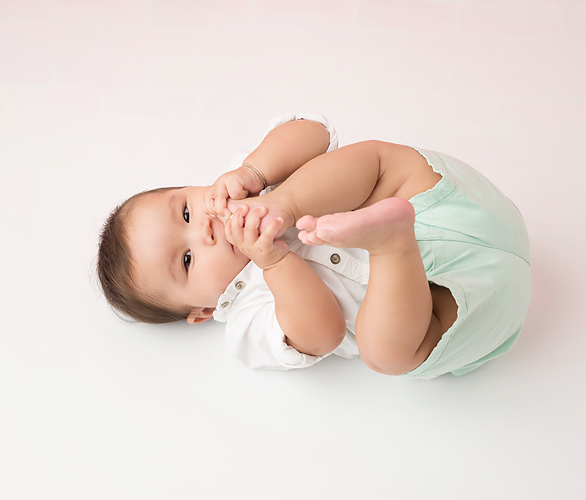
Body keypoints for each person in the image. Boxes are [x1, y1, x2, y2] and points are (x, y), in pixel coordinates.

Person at [97, 113, 532, 379]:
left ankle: (355, 224)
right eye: (188, 259)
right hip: (465, 299)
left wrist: (260, 176)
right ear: (203, 311)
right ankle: (390, 246)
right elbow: (320, 335)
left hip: (444, 202)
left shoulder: (246, 183)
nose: (205, 231)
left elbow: (314, 131)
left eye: (187, 213)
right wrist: (273, 261)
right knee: (387, 354)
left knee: (374, 159)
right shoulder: (247, 323)